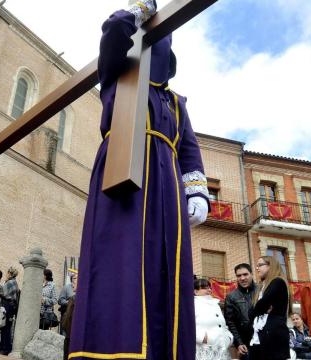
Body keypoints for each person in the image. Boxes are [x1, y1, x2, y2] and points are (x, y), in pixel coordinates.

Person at [69, 1, 210, 359]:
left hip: (167, 182)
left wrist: (197, 191)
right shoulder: (118, 73)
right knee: (121, 259)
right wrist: (138, 8)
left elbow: (190, 149)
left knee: (166, 266)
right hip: (121, 170)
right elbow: (115, 28)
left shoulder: (177, 103)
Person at [249, 255, 290, 360]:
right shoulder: (262, 286)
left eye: (260, 265)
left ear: (270, 266)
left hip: (273, 337)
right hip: (259, 336)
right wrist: (259, 308)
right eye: (256, 266)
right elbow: (253, 310)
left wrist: (260, 307)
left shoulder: (278, 281)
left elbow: (261, 304)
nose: (257, 268)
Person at [194, 278, 232, 360]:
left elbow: (222, 324)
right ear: (195, 291)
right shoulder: (193, 304)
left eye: (209, 287)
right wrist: (202, 338)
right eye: (204, 287)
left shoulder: (215, 303)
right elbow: (187, 326)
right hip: (204, 348)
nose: (209, 289)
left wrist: (229, 337)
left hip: (221, 347)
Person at [224, 263, 256, 359]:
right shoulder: (231, 297)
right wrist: (238, 343)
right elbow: (230, 322)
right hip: (245, 345)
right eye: (239, 275)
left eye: (245, 274)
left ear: (251, 274)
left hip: (265, 342)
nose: (242, 278)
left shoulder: (262, 290)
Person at [0, 267, 20, 355]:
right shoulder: (13, 282)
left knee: (6, 327)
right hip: (10, 306)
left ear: (10, 273)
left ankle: (5, 349)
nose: (6, 274)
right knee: (6, 327)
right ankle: (4, 348)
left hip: (8, 305)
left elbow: (6, 295)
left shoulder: (10, 282)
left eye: (7, 273)